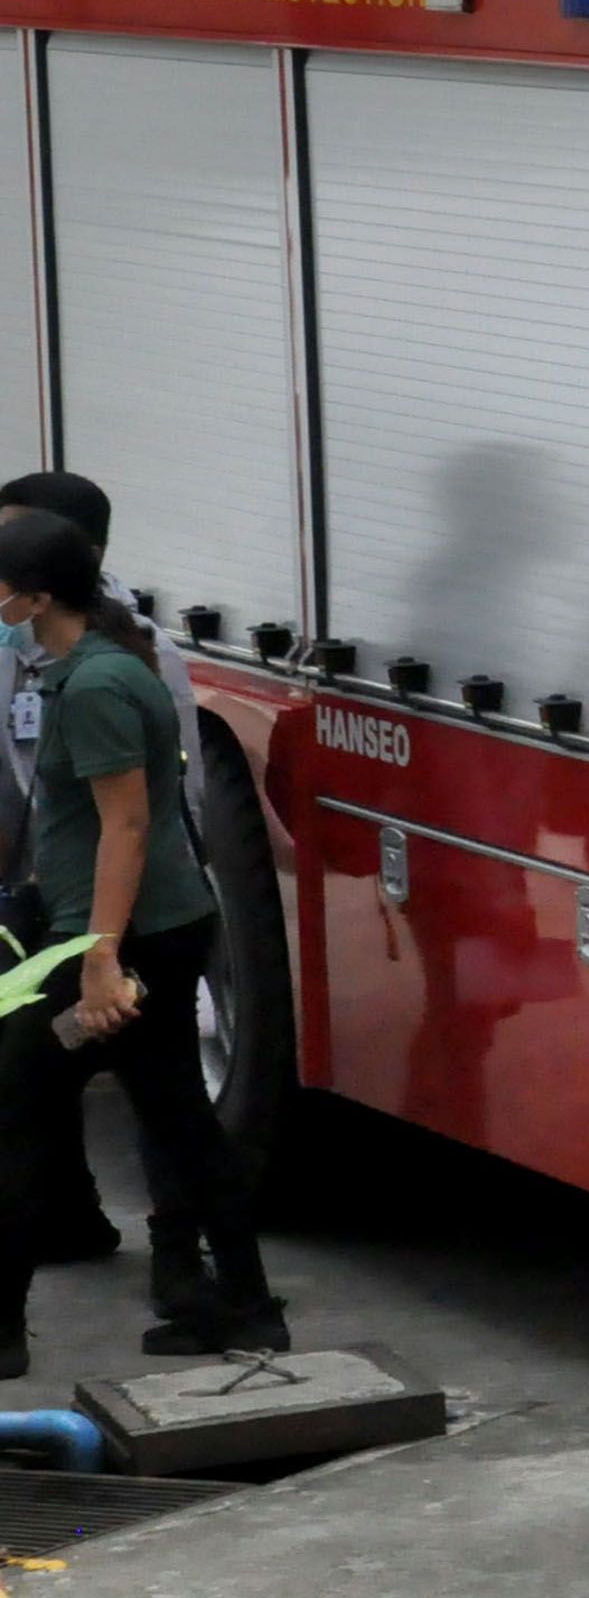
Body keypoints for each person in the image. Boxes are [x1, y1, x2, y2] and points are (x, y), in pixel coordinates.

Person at [0, 506, 283, 1374]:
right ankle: (243, 1305)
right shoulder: (100, 665)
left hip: (119, 945)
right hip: (147, 930)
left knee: (15, 1105)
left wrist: (98, 959)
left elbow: (126, 826)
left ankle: (3, 1334)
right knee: (180, 1119)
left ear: (35, 597)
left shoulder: (93, 688)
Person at [0, 471, 170, 1284]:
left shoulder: (113, 669)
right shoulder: (38, 655)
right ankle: (73, 1221)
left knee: (42, 1083)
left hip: (109, 920)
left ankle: (204, 1280)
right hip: (50, 904)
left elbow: (142, 817)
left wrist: (101, 950)